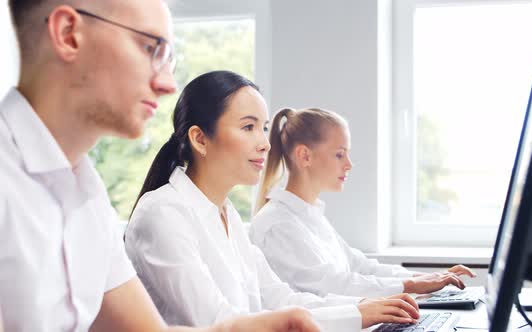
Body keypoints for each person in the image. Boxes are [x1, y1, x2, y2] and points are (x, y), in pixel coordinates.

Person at [0, 1, 320, 331]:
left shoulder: (87, 193)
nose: (168, 83)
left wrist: (253, 327)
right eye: (150, 48)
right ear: (69, 35)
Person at [125, 70, 420, 332]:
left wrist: (362, 309)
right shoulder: (162, 214)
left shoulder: (228, 216)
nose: (265, 143)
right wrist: (355, 314)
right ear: (200, 139)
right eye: (248, 127)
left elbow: (279, 298)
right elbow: (217, 322)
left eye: (264, 127)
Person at [250, 107, 476, 299]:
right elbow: (333, 286)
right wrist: (412, 286)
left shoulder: (308, 216)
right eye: (339, 154)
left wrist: (428, 278)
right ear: (305, 156)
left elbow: (360, 266)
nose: (349, 164)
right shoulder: (277, 224)